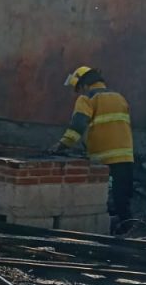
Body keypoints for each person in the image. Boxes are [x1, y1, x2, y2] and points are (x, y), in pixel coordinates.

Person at [53, 66, 134, 228]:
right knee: (122, 197)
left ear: (84, 85)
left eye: (79, 88)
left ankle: (105, 228)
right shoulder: (119, 97)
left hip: (102, 158)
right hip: (125, 156)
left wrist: (62, 145)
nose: (79, 92)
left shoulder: (87, 99)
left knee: (100, 196)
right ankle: (127, 228)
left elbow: (78, 125)